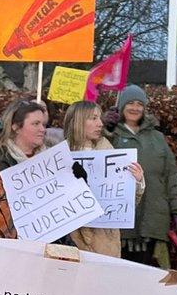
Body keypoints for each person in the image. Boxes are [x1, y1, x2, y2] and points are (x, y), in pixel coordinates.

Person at [104, 85, 177, 267]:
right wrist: (106, 129)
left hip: (154, 219)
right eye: (130, 103)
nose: (135, 108)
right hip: (120, 221)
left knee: (150, 275)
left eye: (139, 104)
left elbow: (171, 176)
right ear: (122, 105)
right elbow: (96, 156)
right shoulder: (111, 135)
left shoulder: (157, 138)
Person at [62, 101, 145, 257]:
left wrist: (137, 181)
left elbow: (127, 203)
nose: (100, 123)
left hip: (105, 243)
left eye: (99, 118)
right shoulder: (59, 156)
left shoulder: (108, 151)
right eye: (93, 118)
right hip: (71, 242)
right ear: (78, 121)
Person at [0, 99, 48, 171]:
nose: (43, 129)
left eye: (43, 124)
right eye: (36, 124)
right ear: (16, 127)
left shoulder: (51, 157)